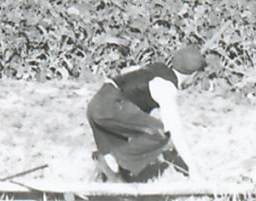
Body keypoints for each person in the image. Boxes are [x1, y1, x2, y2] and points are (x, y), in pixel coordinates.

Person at [87, 44, 204, 183]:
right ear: (193, 75)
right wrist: (193, 168)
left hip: (97, 102)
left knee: (118, 180)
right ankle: (113, 160)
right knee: (160, 133)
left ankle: (107, 169)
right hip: (111, 108)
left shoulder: (155, 68)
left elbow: (128, 73)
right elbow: (174, 130)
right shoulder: (167, 88)